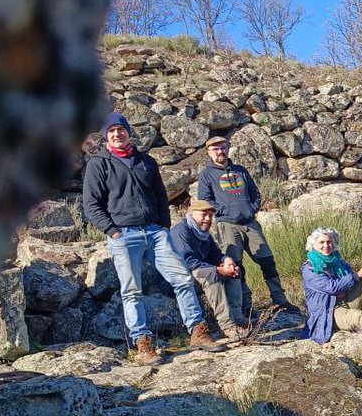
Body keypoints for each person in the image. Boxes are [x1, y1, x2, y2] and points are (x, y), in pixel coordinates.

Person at [82, 112, 224, 364]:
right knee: (132, 291)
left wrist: (163, 225)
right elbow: (91, 205)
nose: (117, 134)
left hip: (155, 233)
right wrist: (112, 231)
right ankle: (143, 344)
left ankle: (198, 332)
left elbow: (160, 196)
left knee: (182, 279)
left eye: (121, 130)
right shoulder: (99, 163)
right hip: (124, 235)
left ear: (128, 132)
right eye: (112, 131)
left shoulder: (145, 161)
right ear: (106, 136)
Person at [196, 135, 299, 320]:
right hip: (228, 225)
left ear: (228, 148)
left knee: (267, 261)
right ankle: (245, 305)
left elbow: (255, 194)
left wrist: (251, 209)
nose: (220, 151)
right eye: (215, 149)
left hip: (250, 223)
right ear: (209, 152)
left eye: (223, 147)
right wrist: (224, 211)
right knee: (235, 265)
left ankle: (280, 300)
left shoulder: (240, 170)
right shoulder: (206, 174)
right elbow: (205, 200)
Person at [170, 200, 248, 341]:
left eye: (211, 216)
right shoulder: (181, 231)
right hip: (183, 276)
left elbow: (214, 255)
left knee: (234, 270)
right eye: (204, 215)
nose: (207, 219)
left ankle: (237, 317)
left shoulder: (203, 233)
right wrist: (218, 269)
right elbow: (188, 262)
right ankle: (227, 325)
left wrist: (226, 260)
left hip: (199, 270)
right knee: (211, 274)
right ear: (192, 214)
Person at [300, 227, 362, 344]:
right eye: (322, 242)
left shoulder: (338, 262)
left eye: (329, 242)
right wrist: (357, 275)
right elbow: (331, 287)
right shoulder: (309, 268)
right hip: (329, 310)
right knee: (359, 317)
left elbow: (352, 278)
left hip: (347, 301)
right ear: (313, 245)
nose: (326, 245)